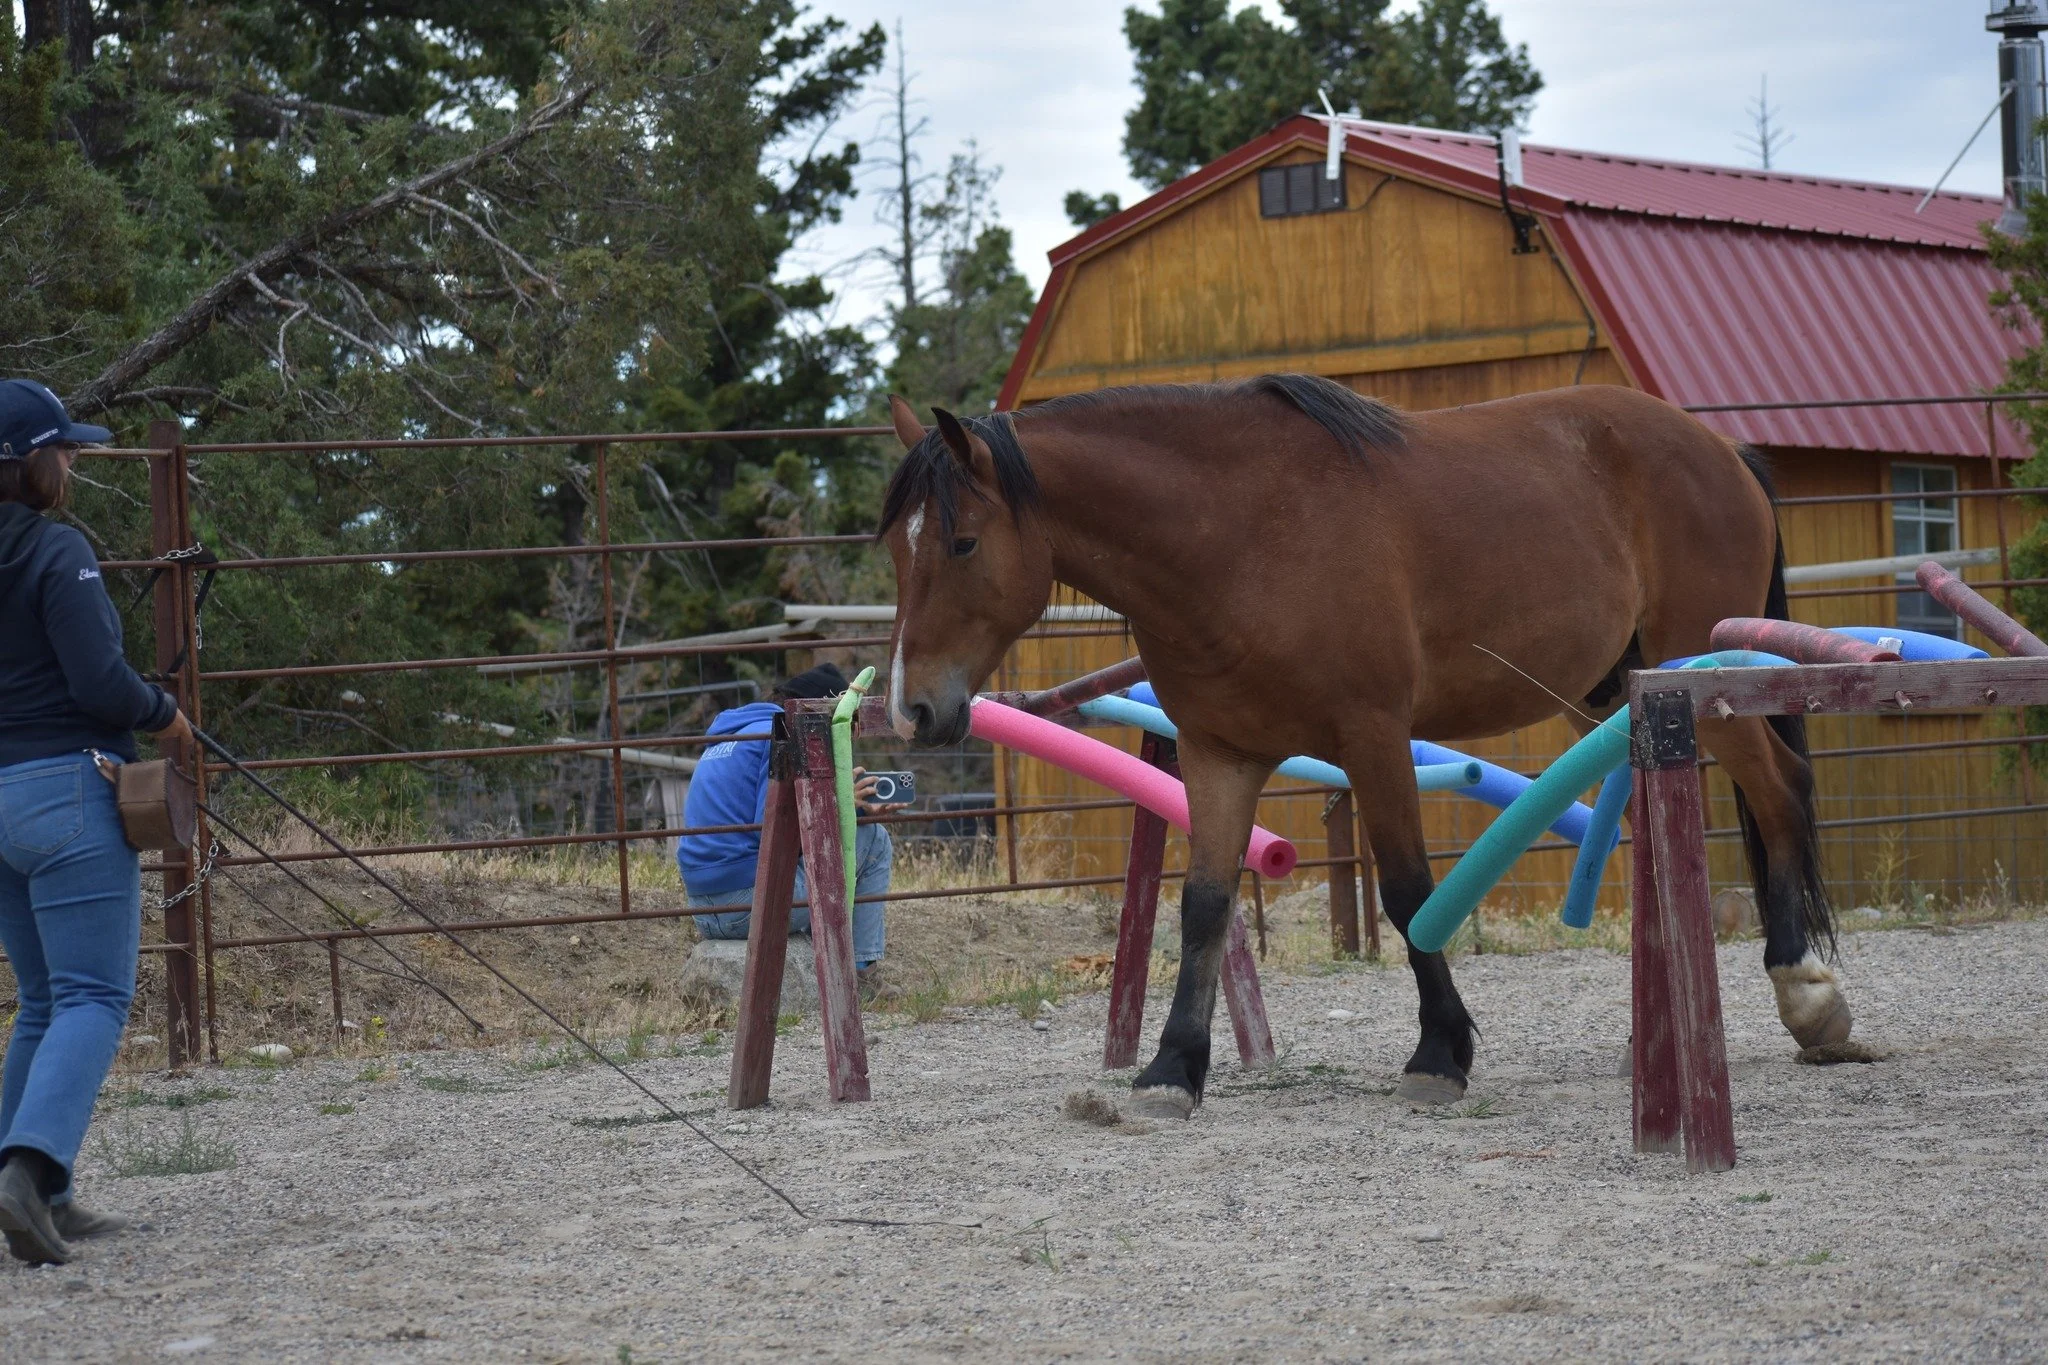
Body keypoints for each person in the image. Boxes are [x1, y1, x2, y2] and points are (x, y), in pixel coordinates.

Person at [0, 379, 192, 1265]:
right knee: (92, 995)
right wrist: (166, 714)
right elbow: (99, 682)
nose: (74, 460)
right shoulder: (58, 550)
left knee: (42, 999)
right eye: (65, 448)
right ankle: (28, 1173)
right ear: (31, 463)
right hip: (68, 795)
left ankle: (43, 1192)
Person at [678, 664, 907, 995]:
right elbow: (779, 832)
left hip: (703, 909)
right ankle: (861, 976)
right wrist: (843, 806)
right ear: (821, 713)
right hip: (749, 905)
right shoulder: (787, 736)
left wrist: (843, 806)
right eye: (845, 726)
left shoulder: (735, 734)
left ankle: (830, 960)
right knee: (873, 840)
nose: (846, 738)